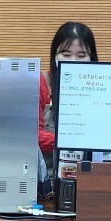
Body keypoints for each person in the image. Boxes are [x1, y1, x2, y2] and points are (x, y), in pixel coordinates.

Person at [39, 22, 99, 177]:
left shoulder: (101, 86)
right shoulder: (41, 83)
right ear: (55, 55)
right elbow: (33, 136)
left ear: (91, 57)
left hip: (91, 176)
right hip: (48, 179)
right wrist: (75, 141)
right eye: (66, 55)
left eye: (81, 56)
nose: (73, 61)